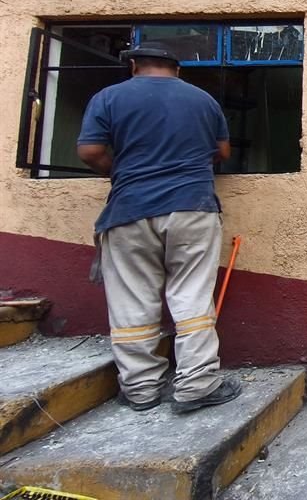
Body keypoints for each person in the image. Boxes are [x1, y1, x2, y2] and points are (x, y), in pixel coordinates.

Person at [77, 42, 242, 414]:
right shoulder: (203, 100)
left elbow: (89, 151)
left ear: (134, 65)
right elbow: (223, 152)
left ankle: (140, 389)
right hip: (193, 207)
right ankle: (196, 385)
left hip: (129, 209)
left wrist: (121, 170)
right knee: (193, 297)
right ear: (177, 69)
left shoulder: (108, 98)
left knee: (132, 300)